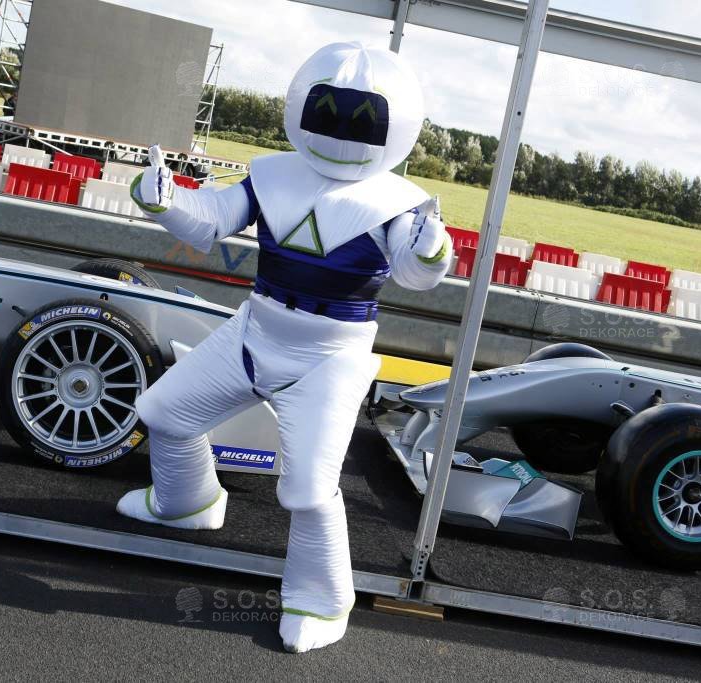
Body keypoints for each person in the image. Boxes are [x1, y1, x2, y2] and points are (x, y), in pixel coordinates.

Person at [118, 42, 452, 653]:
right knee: (165, 412)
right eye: (326, 111)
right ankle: (187, 501)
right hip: (255, 330)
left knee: (308, 489)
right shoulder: (272, 175)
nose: (339, 130)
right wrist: (165, 198)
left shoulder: (397, 204)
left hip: (331, 358)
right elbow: (213, 217)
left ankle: (322, 599)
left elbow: (415, 271)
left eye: (360, 119)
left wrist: (432, 249)